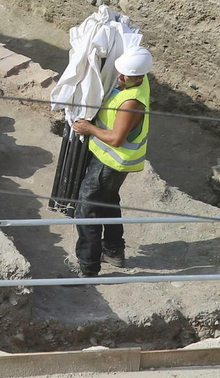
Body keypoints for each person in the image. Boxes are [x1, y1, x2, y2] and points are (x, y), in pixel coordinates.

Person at [70, 46, 151, 277]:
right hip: (115, 162)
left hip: (110, 162)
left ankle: (87, 268)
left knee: (86, 209)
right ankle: (113, 251)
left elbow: (116, 138)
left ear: (138, 76)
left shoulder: (131, 103)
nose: (119, 78)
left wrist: (89, 128)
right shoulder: (140, 81)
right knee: (108, 202)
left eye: (125, 75)